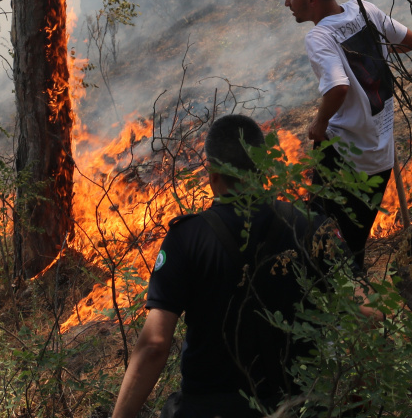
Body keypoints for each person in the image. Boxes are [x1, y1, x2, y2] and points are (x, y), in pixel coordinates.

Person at [111, 115, 341, 418]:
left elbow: (154, 344)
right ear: (265, 168)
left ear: (213, 174)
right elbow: (369, 313)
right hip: (301, 405)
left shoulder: (187, 238)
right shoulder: (314, 228)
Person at [280, 0, 412, 273]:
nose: (287, 2)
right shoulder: (364, 9)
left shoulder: (319, 37)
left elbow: (338, 88)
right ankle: (358, 304)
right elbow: (411, 40)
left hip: (345, 158)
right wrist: (378, 52)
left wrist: (319, 122)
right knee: (353, 245)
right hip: (381, 154)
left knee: (322, 245)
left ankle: (346, 310)